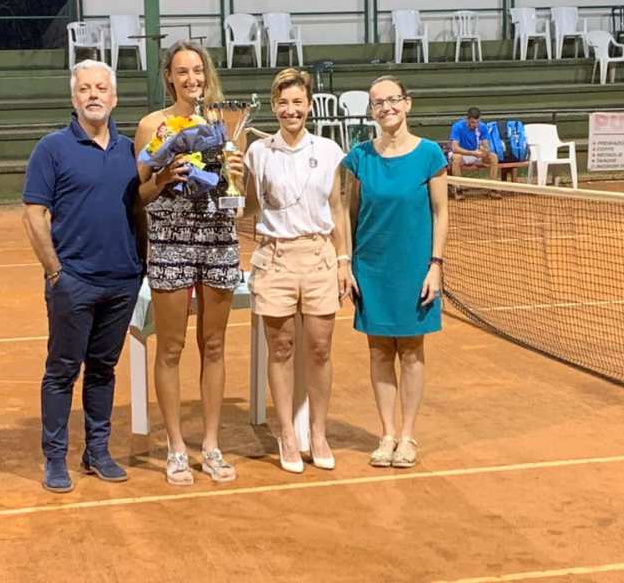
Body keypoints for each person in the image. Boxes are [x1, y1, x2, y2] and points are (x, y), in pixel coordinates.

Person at [22, 59, 143, 493]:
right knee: (62, 371)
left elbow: (142, 208)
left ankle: (97, 452)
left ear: (114, 97)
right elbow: (34, 215)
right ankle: (55, 458)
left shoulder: (132, 150)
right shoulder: (52, 148)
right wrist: (55, 271)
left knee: (103, 370)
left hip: (122, 281)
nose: (93, 95)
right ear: (74, 98)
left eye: (101, 88)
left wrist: (140, 267)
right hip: (73, 282)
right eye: (85, 89)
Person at [133, 41, 245, 486]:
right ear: (169, 77)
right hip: (170, 242)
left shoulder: (227, 124)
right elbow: (139, 196)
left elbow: (241, 199)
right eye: (182, 72)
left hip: (218, 240)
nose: (191, 79)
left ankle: (211, 445)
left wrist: (239, 174)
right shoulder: (151, 126)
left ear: (206, 73)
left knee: (214, 345)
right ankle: (176, 447)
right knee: (171, 347)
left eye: (197, 70)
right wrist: (162, 178)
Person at [243, 68, 353, 473]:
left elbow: (338, 209)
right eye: (283, 103)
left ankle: (318, 433)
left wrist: (343, 260)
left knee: (320, 349)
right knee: (281, 348)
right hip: (275, 259)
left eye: (298, 102)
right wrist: (233, 180)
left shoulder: (329, 150)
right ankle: (287, 434)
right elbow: (249, 208)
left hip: (319, 256)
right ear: (274, 107)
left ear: (309, 105)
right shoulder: (258, 152)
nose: (291, 110)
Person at [341, 75, 448, 469]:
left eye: (392, 100)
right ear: (371, 111)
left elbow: (441, 213)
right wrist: (347, 263)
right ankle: (386, 435)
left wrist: (435, 265)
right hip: (372, 266)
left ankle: (407, 436)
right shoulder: (358, 157)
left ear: (407, 103)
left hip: (414, 265)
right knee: (379, 349)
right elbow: (348, 213)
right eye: (378, 103)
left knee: (412, 351)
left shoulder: (430, 155)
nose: (386, 107)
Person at [449, 106, 498, 199]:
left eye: (477, 122)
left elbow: (486, 145)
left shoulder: (482, 127)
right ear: (467, 119)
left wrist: (485, 150)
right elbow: (455, 148)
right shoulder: (457, 127)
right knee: (456, 158)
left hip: (476, 155)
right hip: (462, 154)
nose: (475, 125)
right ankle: (458, 189)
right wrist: (472, 153)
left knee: (493, 157)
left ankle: (493, 189)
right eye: (472, 122)